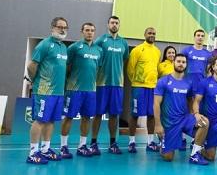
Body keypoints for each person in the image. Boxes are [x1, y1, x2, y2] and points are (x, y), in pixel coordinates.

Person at [25, 17, 69, 164]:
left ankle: (45, 149)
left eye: (65, 27)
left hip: (58, 92)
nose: (62, 30)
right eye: (59, 27)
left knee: (50, 121)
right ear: (52, 28)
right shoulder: (44, 44)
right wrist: (34, 80)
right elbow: (31, 66)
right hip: (44, 91)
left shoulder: (63, 47)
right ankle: (32, 153)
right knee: (40, 120)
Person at [154, 54, 210, 165]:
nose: (181, 64)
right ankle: (163, 141)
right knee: (168, 157)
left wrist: (193, 115)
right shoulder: (163, 81)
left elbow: (190, 100)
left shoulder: (188, 82)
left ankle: (195, 154)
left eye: (183, 62)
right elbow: (156, 103)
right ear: (174, 62)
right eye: (178, 61)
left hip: (184, 119)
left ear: (186, 65)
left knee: (204, 122)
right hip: (169, 122)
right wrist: (158, 124)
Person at [60, 23, 102, 158]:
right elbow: (66, 67)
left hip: (90, 91)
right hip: (74, 90)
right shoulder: (74, 48)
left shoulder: (99, 50)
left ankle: (82, 146)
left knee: (86, 118)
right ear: (82, 32)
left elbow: (97, 69)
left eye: (92, 30)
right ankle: (63, 147)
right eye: (87, 30)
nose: (90, 33)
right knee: (69, 117)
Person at [91, 16, 129, 154]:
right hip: (102, 84)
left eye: (117, 23)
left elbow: (124, 60)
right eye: (112, 22)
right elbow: (94, 56)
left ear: (119, 25)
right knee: (98, 114)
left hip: (117, 85)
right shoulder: (101, 40)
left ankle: (113, 143)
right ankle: (93, 143)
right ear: (108, 25)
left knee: (114, 115)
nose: (114, 25)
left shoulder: (123, 43)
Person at [127, 27, 161, 153]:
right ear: (144, 34)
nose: (152, 35)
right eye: (149, 33)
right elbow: (130, 69)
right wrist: (137, 82)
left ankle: (150, 142)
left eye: (154, 33)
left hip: (153, 87)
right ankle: (131, 142)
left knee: (151, 115)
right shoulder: (137, 50)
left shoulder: (157, 51)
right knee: (135, 114)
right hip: (139, 87)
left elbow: (156, 68)